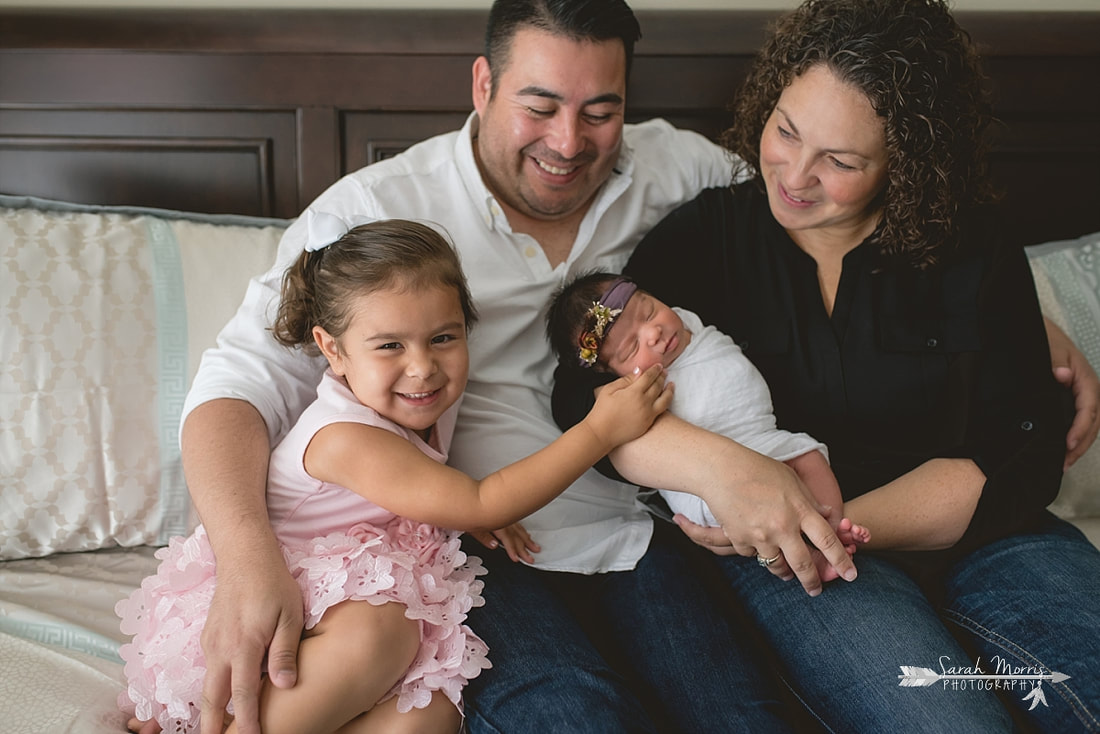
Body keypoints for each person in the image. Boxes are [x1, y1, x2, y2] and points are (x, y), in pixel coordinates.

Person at [157, 0, 1100, 733]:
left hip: (650, 533)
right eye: (539, 105)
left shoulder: (680, 175)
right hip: (494, 547)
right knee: (572, 715)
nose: (569, 143)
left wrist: (1031, 319)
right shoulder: (374, 214)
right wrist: (247, 557)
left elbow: (865, 215)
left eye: (600, 111)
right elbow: (234, 389)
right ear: (481, 84)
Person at [553, 0, 1100, 731]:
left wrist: (834, 522)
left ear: (904, 162)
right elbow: (579, 395)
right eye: (785, 130)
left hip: (983, 536)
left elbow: (1019, 450)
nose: (796, 175)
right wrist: (727, 473)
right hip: (792, 562)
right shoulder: (708, 239)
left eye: (840, 161)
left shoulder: (970, 245)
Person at [116, 218, 672, 734]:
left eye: (443, 338)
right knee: (384, 632)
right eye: (389, 347)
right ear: (332, 350)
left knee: (437, 705)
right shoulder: (346, 437)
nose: (423, 366)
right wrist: (599, 431)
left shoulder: (421, 401)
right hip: (283, 608)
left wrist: (443, 512)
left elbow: (442, 494)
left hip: (354, 588)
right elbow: (482, 498)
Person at [546, 270, 870, 579]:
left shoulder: (687, 321)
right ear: (611, 371)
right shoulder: (635, 390)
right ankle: (808, 554)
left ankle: (831, 528)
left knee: (810, 456)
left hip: (760, 436)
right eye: (632, 348)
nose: (654, 333)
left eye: (649, 312)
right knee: (759, 507)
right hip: (709, 484)